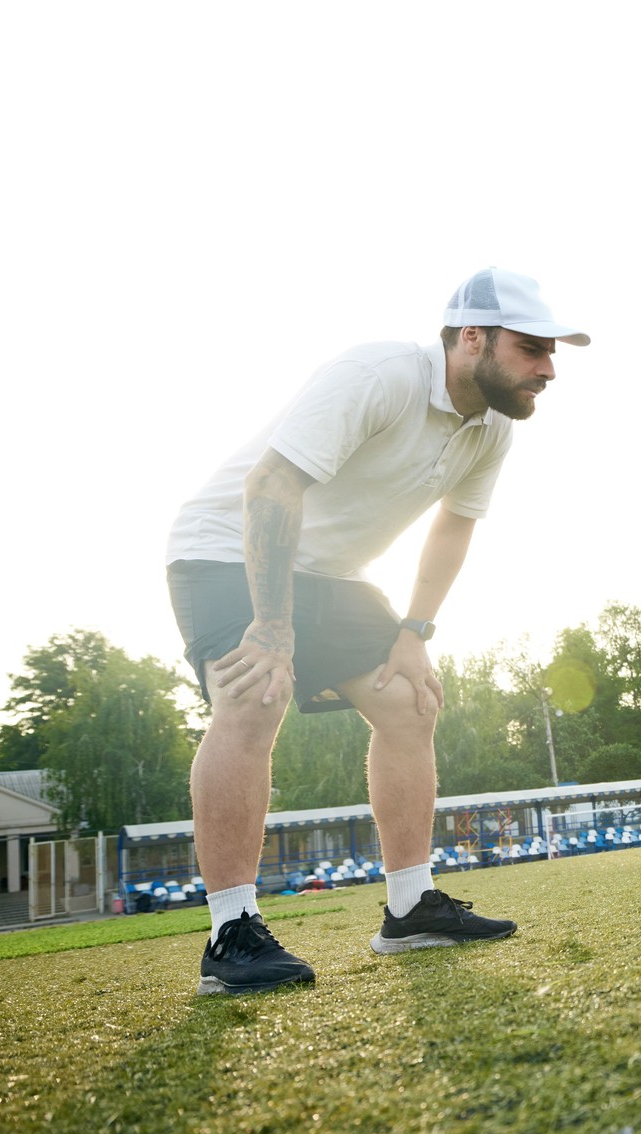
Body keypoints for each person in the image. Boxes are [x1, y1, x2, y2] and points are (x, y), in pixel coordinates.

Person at [166, 268, 590, 995]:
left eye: (552, 352)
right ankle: (230, 933)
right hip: (227, 547)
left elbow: (455, 526)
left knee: (410, 699)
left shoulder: (493, 425)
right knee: (255, 695)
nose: (548, 369)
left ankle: (410, 906)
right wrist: (272, 626)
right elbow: (270, 486)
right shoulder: (378, 374)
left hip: (332, 570)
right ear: (472, 338)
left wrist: (414, 631)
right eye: (532, 349)